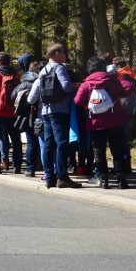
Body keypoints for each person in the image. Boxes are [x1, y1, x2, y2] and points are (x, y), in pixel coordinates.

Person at [74, 57, 135, 189]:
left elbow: (78, 101)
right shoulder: (112, 80)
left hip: (96, 122)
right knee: (117, 150)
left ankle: (103, 180)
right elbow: (128, 89)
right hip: (115, 119)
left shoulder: (86, 83)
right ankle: (121, 180)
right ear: (103, 67)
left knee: (99, 151)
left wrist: (88, 104)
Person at [27, 43, 81, 189]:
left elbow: (34, 96)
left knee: (49, 145)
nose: (65, 55)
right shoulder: (59, 68)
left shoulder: (43, 70)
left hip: (45, 111)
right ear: (56, 54)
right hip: (60, 110)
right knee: (62, 143)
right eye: (63, 52)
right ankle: (62, 177)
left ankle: (49, 177)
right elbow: (65, 86)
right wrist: (76, 85)